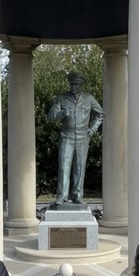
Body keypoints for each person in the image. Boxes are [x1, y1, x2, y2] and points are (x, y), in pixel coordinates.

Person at [47, 71, 104, 205]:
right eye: (72, 84)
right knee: (64, 167)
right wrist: (61, 113)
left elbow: (100, 114)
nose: (74, 86)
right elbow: (51, 116)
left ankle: (77, 195)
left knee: (79, 167)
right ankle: (62, 196)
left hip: (82, 137)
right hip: (67, 136)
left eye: (77, 84)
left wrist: (92, 129)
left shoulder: (88, 99)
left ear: (81, 85)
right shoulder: (62, 98)